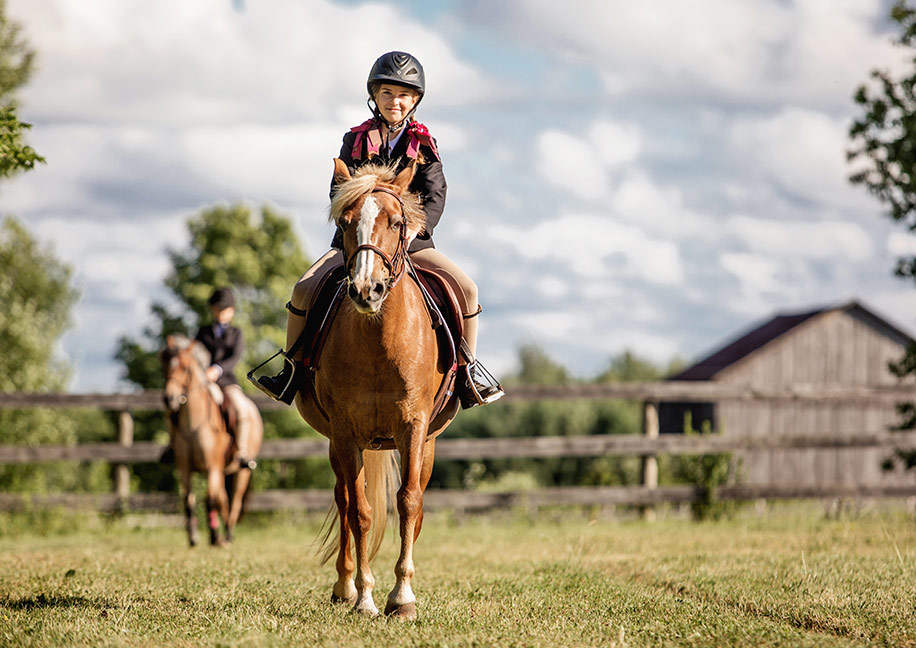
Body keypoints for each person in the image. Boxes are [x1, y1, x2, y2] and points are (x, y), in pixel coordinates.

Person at [254, 50, 504, 409]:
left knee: (467, 289)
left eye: (403, 95)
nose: (395, 101)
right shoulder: (354, 140)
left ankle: (467, 373)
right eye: (387, 93)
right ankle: (290, 371)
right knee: (303, 288)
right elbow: (338, 190)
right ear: (374, 96)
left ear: (415, 100)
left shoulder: (424, 145)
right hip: (355, 241)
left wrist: (413, 228)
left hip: (410, 240)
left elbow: (436, 193)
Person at [196, 287, 257, 470]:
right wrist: (204, 371)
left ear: (232, 311)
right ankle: (174, 445)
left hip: (227, 381)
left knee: (241, 410)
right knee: (183, 404)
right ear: (213, 310)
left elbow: (234, 358)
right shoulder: (202, 332)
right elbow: (196, 355)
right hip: (205, 382)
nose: (221, 313)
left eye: (225, 309)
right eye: (217, 309)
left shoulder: (237, 333)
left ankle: (242, 451)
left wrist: (217, 369)